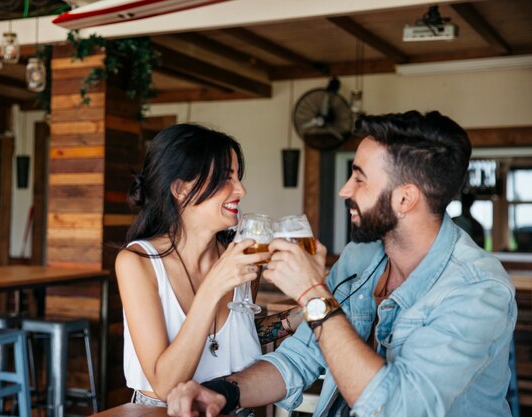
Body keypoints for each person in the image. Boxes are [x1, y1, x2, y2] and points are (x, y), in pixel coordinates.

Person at [166, 111, 517, 417]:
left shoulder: (476, 290)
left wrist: (311, 293)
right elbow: (297, 360)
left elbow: (398, 408)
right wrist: (220, 392)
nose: (344, 190)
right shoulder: (361, 256)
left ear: (405, 198)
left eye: (360, 178)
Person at [115, 123, 300, 408]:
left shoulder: (241, 256)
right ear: (180, 188)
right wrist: (213, 288)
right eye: (227, 177)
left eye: (238, 176)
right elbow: (166, 384)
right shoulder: (138, 263)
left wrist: (300, 316)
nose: (241, 189)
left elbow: (235, 335)